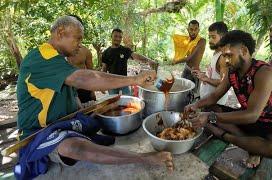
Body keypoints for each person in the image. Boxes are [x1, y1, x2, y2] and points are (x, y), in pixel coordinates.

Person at [16, 16, 173, 179]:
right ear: (61, 33)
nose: (80, 45)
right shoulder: (40, 58)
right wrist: (134, 80)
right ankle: (144, 158)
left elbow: (71, 99)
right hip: (38, 132)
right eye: (78, 39)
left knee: (99, 117)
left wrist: (90, 107)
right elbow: (83, 78)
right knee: (72, 147)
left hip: (64, 122)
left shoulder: (59, 61)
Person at [185, 30, 272, 168]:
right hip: (246, 120)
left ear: (243, 51)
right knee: (209, 107)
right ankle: (253, 145)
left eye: (229, 55)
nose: (225, 60)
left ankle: (229, 137)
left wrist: (210, 118)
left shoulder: (265, 72)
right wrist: (196, 105)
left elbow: (252, 115)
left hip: (270, 125)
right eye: (224, 56)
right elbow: (214, 96)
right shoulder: (233, 72)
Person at [101, 28, 158, 95]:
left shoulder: (124, 50)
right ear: (111, 36)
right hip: (112, 82)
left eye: (120, 37)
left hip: (125, 81)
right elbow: (104, 69)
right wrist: (102, 85)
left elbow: (136, 56)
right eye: (116, 36)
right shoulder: (106, 53)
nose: (118, 39)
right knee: (113, 101)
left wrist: (149, 61)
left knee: (129, 101)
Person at [192, 22, 229, 105]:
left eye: (213, 37)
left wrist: (206, 79)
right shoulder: (216, 53)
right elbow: (214, 74)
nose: (210, 40)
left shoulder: (223, 57)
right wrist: (201, 74)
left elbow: (223, 83)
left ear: (222, 37)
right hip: (207, 100)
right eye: (209, 37)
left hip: (215, 104)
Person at [67, 15, 96, 103]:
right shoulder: (56, 54)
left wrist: (92, 91)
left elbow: (91, 72)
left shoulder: (85, 51)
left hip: (84, 88)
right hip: (68, 91)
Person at [172, 20, 206, 93]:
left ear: (198, 30)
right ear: (188, 30)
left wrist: (176, 61)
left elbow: (190, 57)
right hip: (186, 68)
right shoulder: (188, 40)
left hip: (194, 71)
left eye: (196, 29)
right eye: (191, 29)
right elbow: (180, 48)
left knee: (193, 94)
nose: (193, 32)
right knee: (182, 90)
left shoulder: (202, 41)